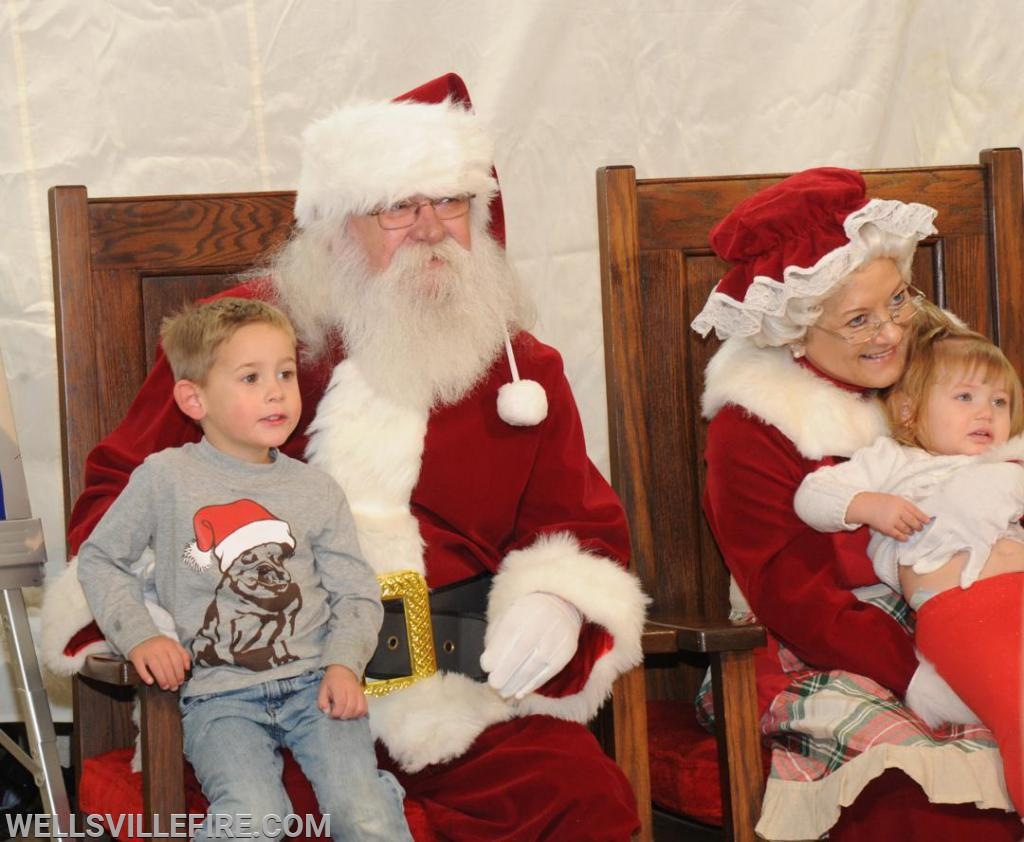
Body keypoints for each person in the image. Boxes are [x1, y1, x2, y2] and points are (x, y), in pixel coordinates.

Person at [42, 76, 647, 841]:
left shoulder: (522, 370)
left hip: (460, 702)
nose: (431, 229)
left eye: (451, 202)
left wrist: (560, 600)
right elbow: (116, 500)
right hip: (264, 695)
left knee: (581, 795)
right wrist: (164, 616)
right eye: (398, 206)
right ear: (336, 228)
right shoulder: (242, 349)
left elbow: (579, 525)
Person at [690, 166, 1022, 840]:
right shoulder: (753, 426)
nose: (893, 332)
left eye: (899, 301)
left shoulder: (943, 372)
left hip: (966, 612)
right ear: (794, 329)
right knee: (930, 799)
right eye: (860, 320)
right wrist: (928, 665)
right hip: (826, 650)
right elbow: (796, 598)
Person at [75, 298, 412, 842]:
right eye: (251, 378)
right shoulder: (166, 478)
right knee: (255, 819)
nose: (277, 391)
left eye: (284, 373)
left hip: (314, 686)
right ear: (194, 398)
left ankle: (378, 794)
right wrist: (140, 638)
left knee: (364, 815)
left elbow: (356, 594)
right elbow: (99, 558)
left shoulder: (316, 490)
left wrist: (345, 665)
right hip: (217, 696)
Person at [794, 324, 1024, 810]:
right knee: (1018, 709)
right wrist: (869, 505)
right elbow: (812, 495)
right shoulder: (896, 461)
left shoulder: (1008, 462)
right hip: (962, 612)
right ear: (908, 410)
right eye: (965, 396)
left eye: (1000, 403)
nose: (986, 412)